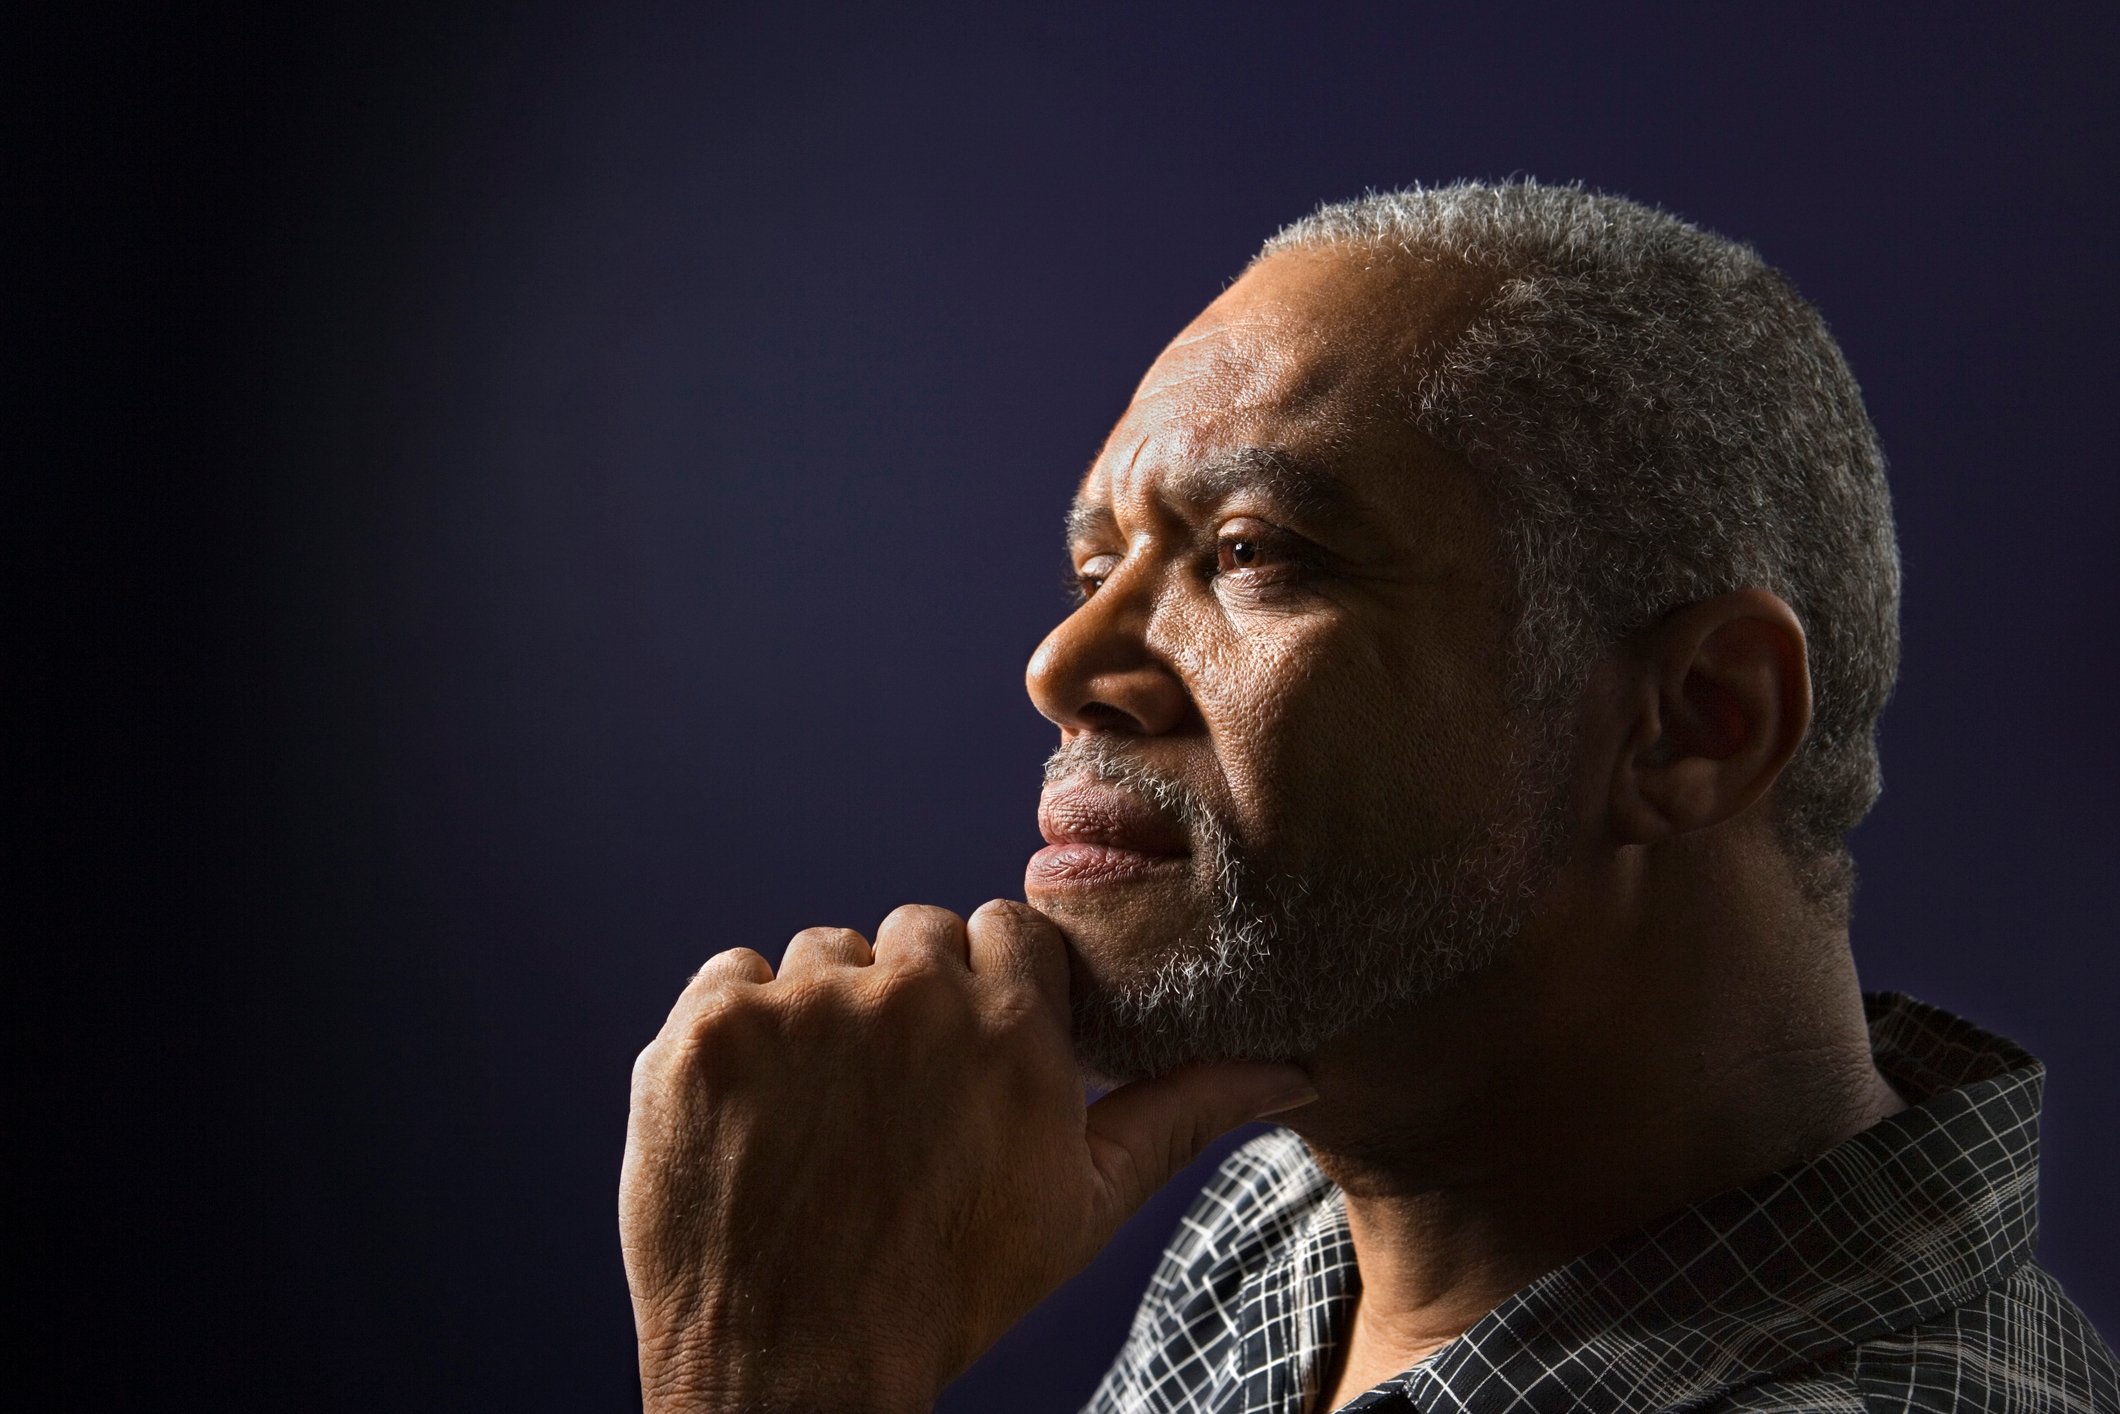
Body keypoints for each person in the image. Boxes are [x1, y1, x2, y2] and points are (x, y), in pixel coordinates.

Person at [617, 181, 2117, 1413]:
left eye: (1254, 552)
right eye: (1096, 569)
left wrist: (770, 1374)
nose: (1065, 662)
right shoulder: (1295, 1207)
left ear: (1694, 724)